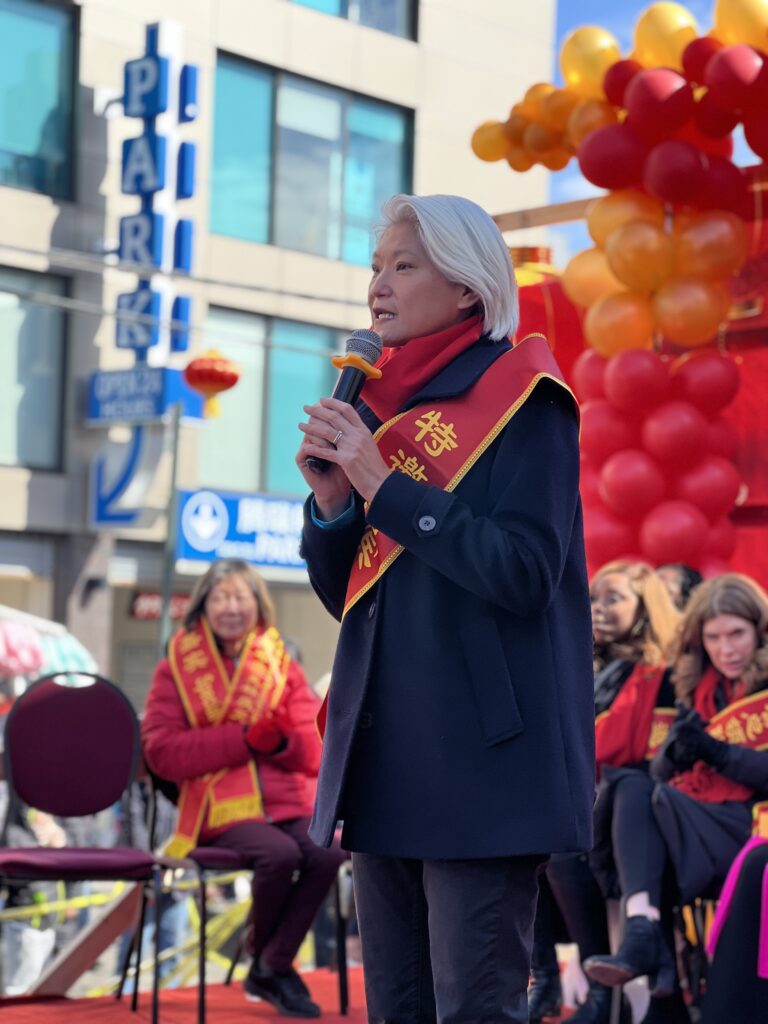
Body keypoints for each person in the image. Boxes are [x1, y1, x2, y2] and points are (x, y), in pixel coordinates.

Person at [296, 193, 595, 1023]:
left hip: (482, 764)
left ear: (467, 286)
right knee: (398, 1007)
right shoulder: (375, 408)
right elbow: (351, 600)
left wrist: (386, 489)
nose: (377, 288)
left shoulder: (527, 401)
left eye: (403, 266)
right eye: (374, 269)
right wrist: (332, 509)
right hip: (382, 753)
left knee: (474, 1008)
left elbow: (526, 573)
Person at [141, 559, 346, 1019]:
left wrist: (279, 741)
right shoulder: (178, 664)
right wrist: (242, 739)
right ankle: (269, 964)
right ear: (203, 606)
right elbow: (162, 751)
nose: (231, 607)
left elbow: (315, 745)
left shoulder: (278, 663)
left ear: (258, 604)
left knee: (328, 852)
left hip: (285, 800)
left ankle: (269, 964)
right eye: (220, 598)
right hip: (215, 807)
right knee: (280, 856)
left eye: (240, 597)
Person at [584, 573, 768, 1024]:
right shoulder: (698, 686)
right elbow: (669, 779)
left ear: (760, 631)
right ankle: (643, 931)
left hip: (752, 825)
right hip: (703, 822)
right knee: (629, 787)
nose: (726, 649)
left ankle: (650, 956)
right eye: (714, 637)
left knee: (633, 814)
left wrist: (717, 752)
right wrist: (675, 754)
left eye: (737, 634)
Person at [531, 561, 681, 1024]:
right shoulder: (580, 662)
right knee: (522, 838)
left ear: (645, 606)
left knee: (562, 847)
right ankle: (547, 979)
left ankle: (602, 992)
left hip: (644, 801)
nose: (598, 608)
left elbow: (637, 750)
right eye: (594, 598)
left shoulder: (665, 669)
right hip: (588, 796)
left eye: (613, 598)